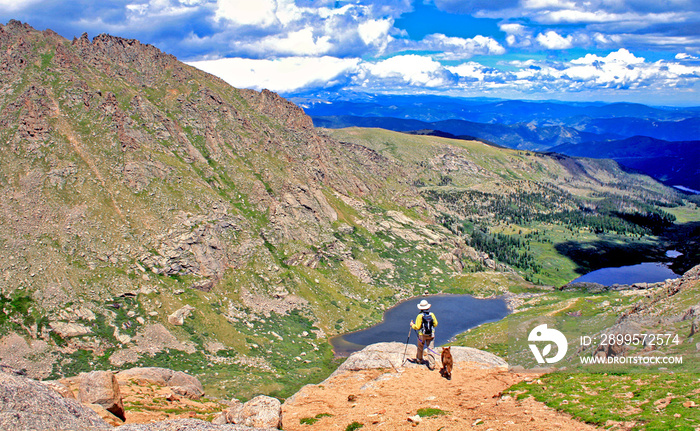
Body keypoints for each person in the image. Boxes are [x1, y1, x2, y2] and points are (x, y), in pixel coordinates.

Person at [410, 299, 438, 364]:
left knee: (420, 347)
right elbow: (436, 324)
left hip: (422, 334)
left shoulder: (420, 316)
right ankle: (432, 364)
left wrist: (412, 325)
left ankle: (419, 360)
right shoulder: (432, 314)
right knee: (430, 348)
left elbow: (417, 327)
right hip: (431, 334)